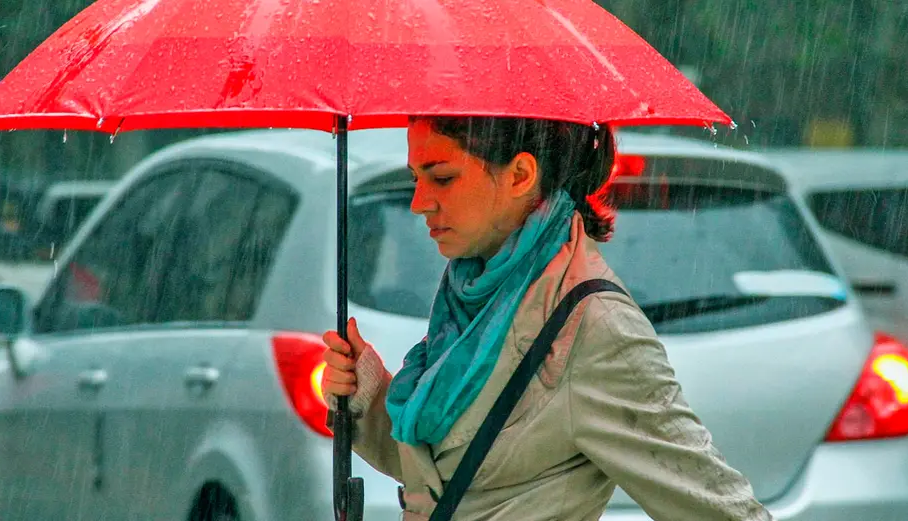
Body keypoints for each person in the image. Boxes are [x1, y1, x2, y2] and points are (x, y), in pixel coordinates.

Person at [321, 116, 774, 521]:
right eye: (416, 177)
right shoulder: (476, 296)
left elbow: (719, 510)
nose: (419, 202)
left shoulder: (594, 325)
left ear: (520, 175)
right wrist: (370, 395)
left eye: (442, 177)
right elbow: (460, 474)